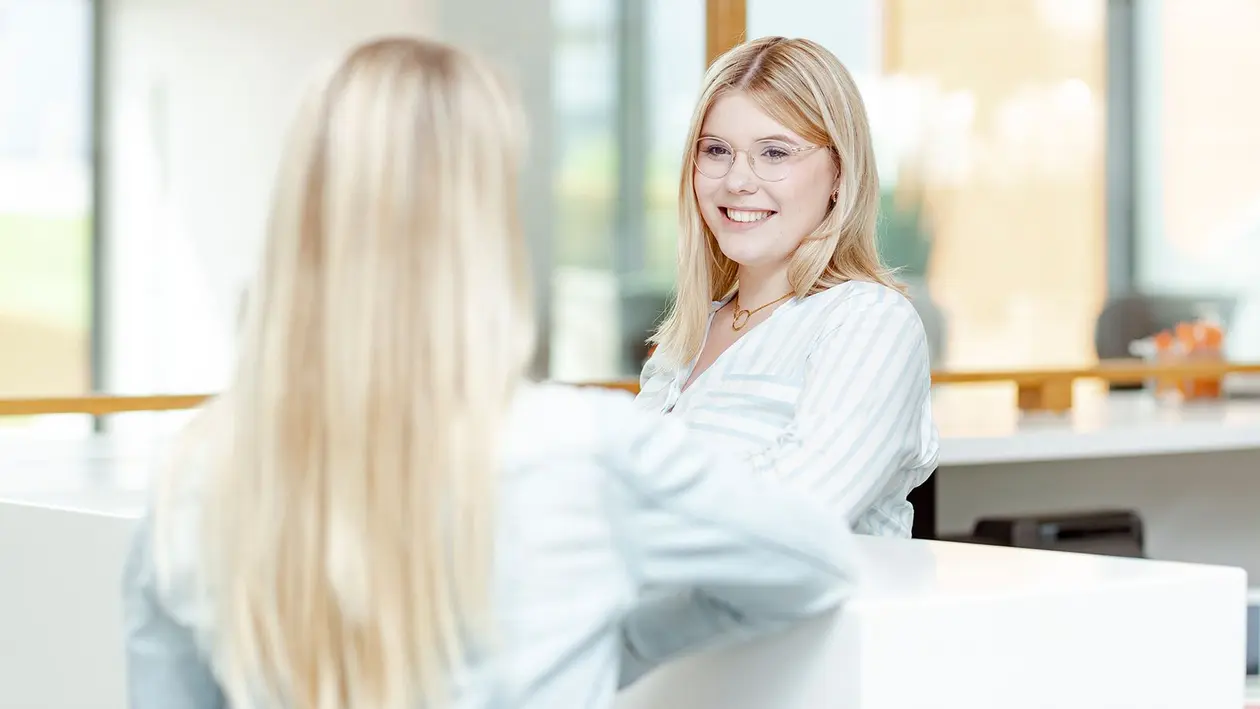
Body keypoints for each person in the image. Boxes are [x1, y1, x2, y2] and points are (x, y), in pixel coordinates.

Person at [121, 36, 862, 709]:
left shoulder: (193, 479)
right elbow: (817, 563)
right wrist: (616, 642)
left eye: (775, 153)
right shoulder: (585, 451)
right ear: (481, 223)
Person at [636, 36, 939, 538]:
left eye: (774, 153)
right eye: (716, 150)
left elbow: (798, 511)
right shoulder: (687, 338)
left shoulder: (870, 321)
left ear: (840, 172)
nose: (737, 181)